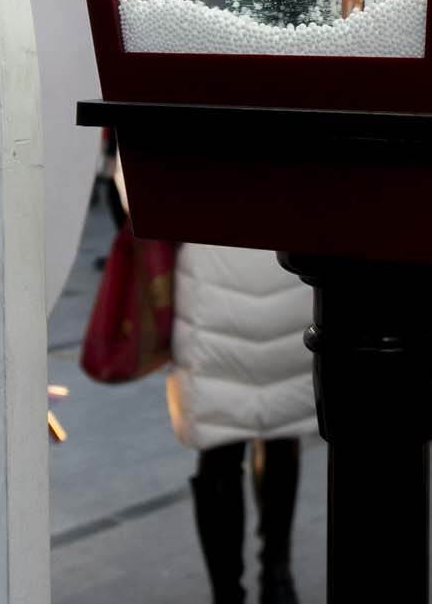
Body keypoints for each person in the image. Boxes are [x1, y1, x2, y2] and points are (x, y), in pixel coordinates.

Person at [171, 246, 313, 604]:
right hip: (287, 269)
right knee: (282, 429)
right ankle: (277, 573)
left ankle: (227, 590)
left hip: (210, 274)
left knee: (219, 439)